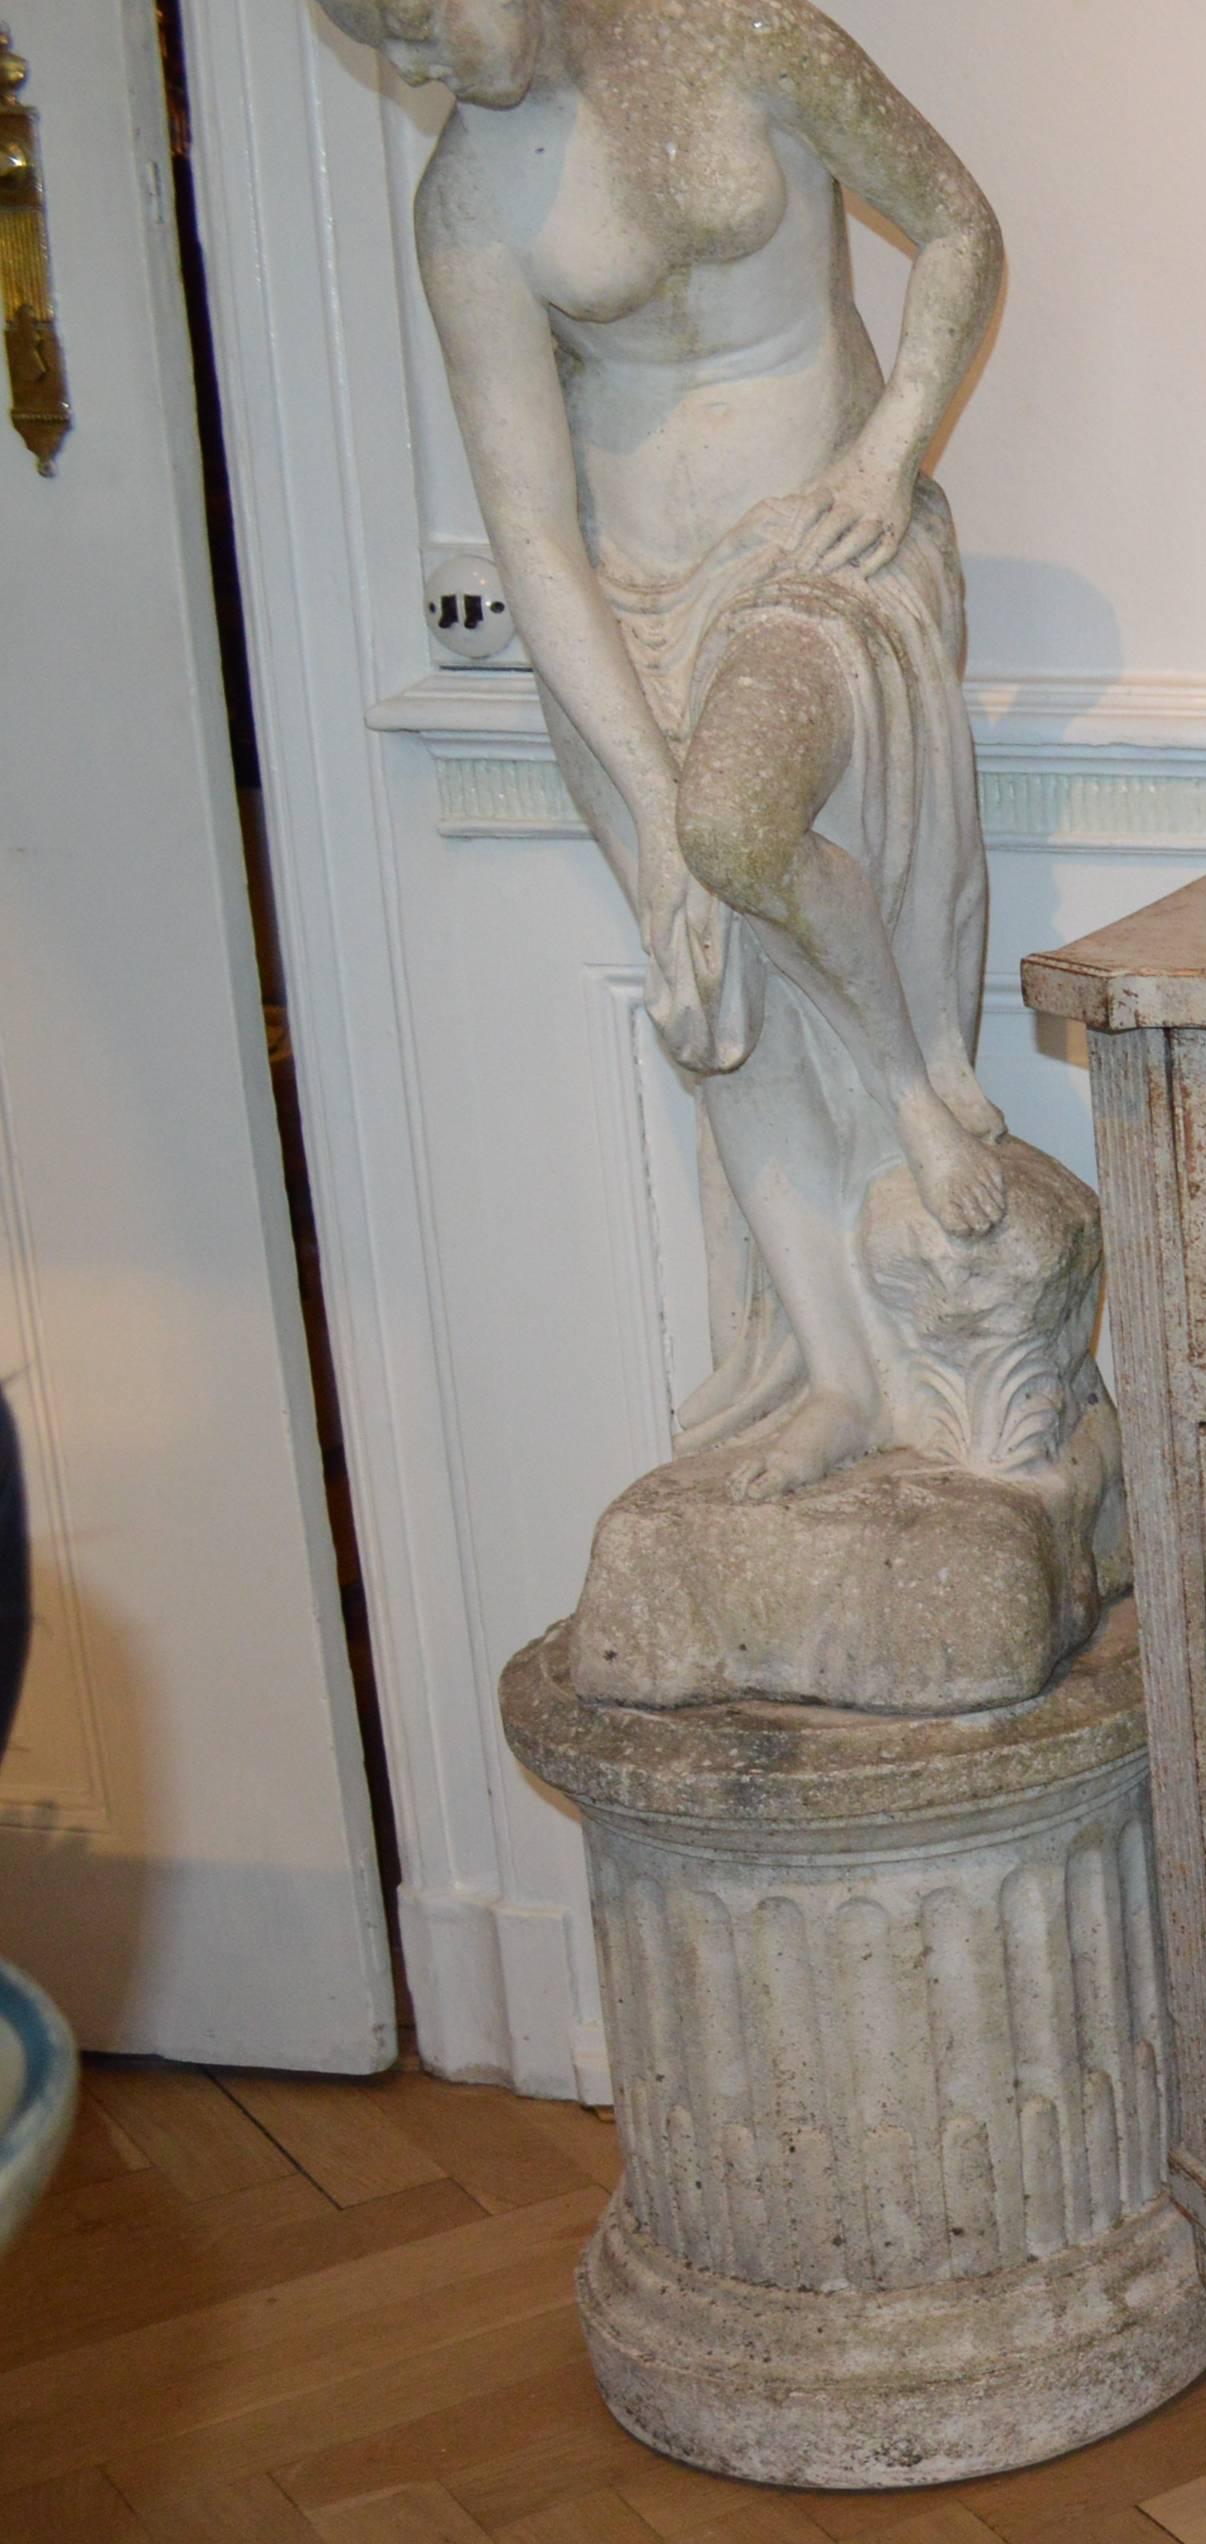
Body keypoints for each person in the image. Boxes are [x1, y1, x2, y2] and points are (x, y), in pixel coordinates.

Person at [322, 0, 1009, 1498]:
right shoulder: (468, 203)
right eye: (396, 58)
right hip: (626, 624)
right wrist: (636, 771)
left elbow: (955, 221)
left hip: (817, 558)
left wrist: (891, 452)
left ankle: (909, 1083)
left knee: (740, 832)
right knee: (713, 988)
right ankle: (832, 1368)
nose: (429, 74)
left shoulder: (752, 35)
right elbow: (530, 534)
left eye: (428, 27)